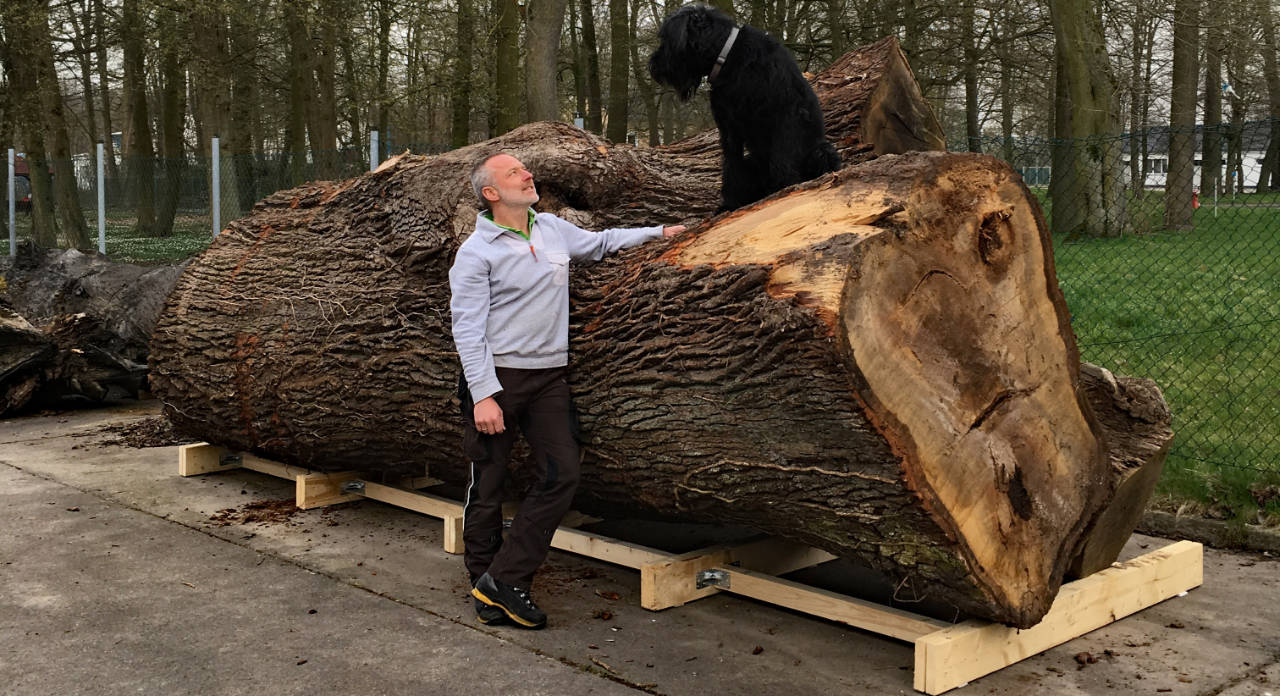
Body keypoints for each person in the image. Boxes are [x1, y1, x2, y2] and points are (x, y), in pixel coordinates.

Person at [449, 152, 684, 629]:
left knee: (562, 474)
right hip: (499, 381)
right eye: (514, 172)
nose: (526, 175)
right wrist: (484, 394)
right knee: (487, 485)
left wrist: (658, 234)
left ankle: (503, 578)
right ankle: (485, 584)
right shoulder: (476, 253)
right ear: (491, 193)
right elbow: (467, 329)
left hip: (549, 378)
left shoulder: (551, 229)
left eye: (524, 169)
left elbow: (601, 243)